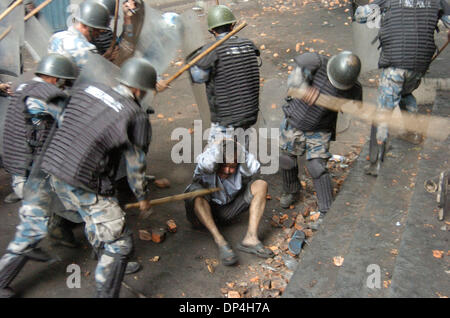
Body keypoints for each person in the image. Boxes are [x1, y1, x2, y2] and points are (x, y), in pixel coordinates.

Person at [0, 53, 79, 298]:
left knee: (85, 205)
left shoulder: (24, 85)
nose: (64, 86)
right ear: (54, 79)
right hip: (32, 176)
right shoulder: (48, 97)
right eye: (64, 82)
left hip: (20, 167)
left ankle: (69, 232)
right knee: (32, 228)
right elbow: (75, 123)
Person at [354, 0, 450, 176]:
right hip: (419, 65)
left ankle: (376, 161)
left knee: (384, 109)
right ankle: (412, 132)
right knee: (405, 93)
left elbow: (360, 16)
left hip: (394, 64)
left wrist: (371, 8)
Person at [279, 51, 362, 220]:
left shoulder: (354, 88)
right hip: (295, 120)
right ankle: (292, 190)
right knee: (286, 159)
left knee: (317, 167)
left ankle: (326, 211)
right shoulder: (315, 63)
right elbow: (292, 82)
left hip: (320, 128)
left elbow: (356, 107)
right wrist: (303, 88)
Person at [184, 139, 274, 266]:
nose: (227, 170)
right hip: (201, 215)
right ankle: (220, 241)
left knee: (261, 185)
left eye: (232, 166)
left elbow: (254, 166)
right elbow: (208, 160)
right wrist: (217, 146)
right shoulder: (207, 165)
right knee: (196, 192)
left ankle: (251, 239)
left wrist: (239, 149)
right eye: (223, 165)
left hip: (226, 212)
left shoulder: (241, 168)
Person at [188, 4, 260, 145]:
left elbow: (199, 77)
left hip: (226, 120)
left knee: (211, 163)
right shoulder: (249, 44)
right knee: (239, 155)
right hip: (249, 114)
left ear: (211, 30)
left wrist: (192, 64)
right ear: (232, 25)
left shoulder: (211, 51)